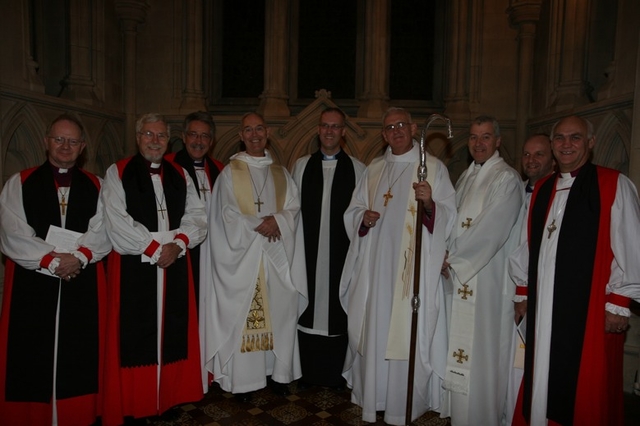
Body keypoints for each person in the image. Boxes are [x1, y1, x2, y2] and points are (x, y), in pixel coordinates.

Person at [509, 115, 640, 426]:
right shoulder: (542, 188)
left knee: (584, 383)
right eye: (560, 138)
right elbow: (527, 244)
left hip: (591, 308)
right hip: (544, 306)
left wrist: (620, 304)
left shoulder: (613, 184)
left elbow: (632, 246)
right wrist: (523, 289)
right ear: (553, 145)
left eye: (576, 137)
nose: (566, 144)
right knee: (542, 370)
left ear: (591, 143)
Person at [340, 107, 457, 425]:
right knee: (376, 328)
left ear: (415, 128)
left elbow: (451, 215)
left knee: (406, 331)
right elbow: (353, 210)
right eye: (389, 127)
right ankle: (375, 397)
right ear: (383, 134)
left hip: (411, 275)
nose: (396, 131)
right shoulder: (374, 169)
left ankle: (401, 403)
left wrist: (431, 204)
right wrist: (362, 219)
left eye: (402, 125)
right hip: (376, 274)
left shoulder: (433, 169)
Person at [0, 114, 111, 426]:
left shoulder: (98, 186)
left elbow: (103, 230)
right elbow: (11, 232)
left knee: (80, 356)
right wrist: (50, 260)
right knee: (30, 354)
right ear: (46, 141)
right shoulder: (19, 183)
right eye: (59, 139)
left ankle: (76, 415)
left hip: (81, 278)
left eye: (73, 141)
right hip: (34, 281)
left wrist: (79, 257)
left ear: (83, 147)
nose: (65, 146)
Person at [101, 112, 207, 425]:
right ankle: (138, 401)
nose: (155, 141)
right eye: (149, 134)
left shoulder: (179, 174)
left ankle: (168, 397)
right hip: (135, 262)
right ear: (138, 138)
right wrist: (152, 248)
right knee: (135, 332)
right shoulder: (118, 172)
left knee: (172, 329)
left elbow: (197, 216)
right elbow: (115, 218)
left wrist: (179, 244)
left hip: (174, 259)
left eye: (161, 135)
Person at [201, 112, 307, 401]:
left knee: (280, 315)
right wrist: (260, 225)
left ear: (268, 131)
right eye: (248, 130)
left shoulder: (281, 172)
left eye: (259, 128)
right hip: (243, 258)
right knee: (244, 314)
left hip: (275, 258)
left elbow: (294, 209)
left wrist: (279, 221)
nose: (254, 134)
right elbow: (224, 216)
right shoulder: (229, 173)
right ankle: (245, 382)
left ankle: (278, 374)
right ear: (241, 135)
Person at [440, 115, 523, 426]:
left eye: (486, 137)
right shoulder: (465, 177)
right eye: (473, 137)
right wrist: (442, 251)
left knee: (484, 355)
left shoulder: (506, 178)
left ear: (498, 141)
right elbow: (451, 223)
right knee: (461, 351)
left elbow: (492, 229)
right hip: (461, 278)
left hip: (488, 283)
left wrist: (452, 259)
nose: (478, 143)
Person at [291, 107, 365, 389]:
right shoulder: (300, 166)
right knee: (308, 305)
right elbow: (291, 213)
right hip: (306, 254)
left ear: (343, 131)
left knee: (338, 307)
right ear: (318, 130)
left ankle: (336, 374)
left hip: (342, 257)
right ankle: (307, 373)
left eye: (335, 126)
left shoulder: (358, 170)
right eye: (325, 126)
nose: (329, 131)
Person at [505, 133, 555, 423]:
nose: (531, 160)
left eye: (538, 154)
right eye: (526, 154)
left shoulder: (556, 194)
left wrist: (523, 292)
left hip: (537, 292)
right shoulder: (516, 191)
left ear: (551, 158)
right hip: (510, 286)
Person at [165, 111, 224, 305]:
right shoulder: (168, 166)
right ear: (183, 136)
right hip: (181, 249)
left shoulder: (221, 170)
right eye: (193, 134)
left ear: (212, 141)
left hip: (214, 249)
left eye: (205, 136)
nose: (198, 141)